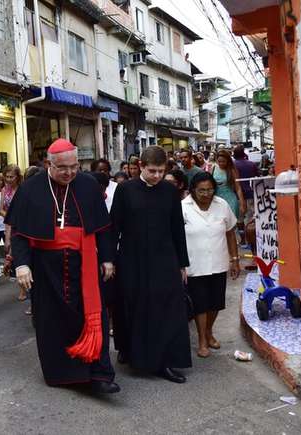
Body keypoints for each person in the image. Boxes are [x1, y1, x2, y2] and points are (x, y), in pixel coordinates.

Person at [6, 138, 119, 394]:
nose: (69, 172)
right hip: (46, 269)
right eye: (62, 168)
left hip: (84, 265)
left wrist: (108, 258)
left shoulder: (88, 185)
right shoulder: (31, 188)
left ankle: (99, 374)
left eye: (74, 167)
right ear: (49, 164)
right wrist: (22, 265)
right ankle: (62, 375)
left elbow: (102, 227)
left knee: (94, 316)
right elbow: (20, 233)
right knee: (51, 321)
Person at [110, 145, 192, 384]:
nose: (157, 176)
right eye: (152, 171)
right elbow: (114, 226)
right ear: (141, 167)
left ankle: (163, 362)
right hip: (131, 258)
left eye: (161, 171)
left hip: (164, 258)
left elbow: (177, 228)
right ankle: (128, 350)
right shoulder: (125, 190)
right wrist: (109, 260)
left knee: (166, 310)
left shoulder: (169, 190)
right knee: (131, 306)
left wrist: (182, 264)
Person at [182, 171, 241, 358]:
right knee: (200, 304)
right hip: (194, 264)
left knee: (215, 303)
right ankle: (201, 340)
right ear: (193, 190)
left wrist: (235, 259)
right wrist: (179, 265)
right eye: (201, 191)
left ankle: (209, 331)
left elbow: (230, 232)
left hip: (218, 261)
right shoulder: (183, 207)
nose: (206, 194)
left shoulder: (221, 205)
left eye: (209, 190)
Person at [1, 165, 24, 300]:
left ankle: (24, 289)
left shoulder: (22, 190)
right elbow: (2, 209)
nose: (9, 179)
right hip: (9, 225)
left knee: (20, 255)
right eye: (7, 176)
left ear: (18, 177)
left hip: (21, 225)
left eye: (11, 177)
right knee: (11, 253)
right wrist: (9, 216)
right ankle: (21, 286)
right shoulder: (5, 190)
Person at [233, 146, 260, 239]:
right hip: (250, 194)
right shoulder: (251, 164)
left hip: (237, 196)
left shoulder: (233, 165)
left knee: (239, 218)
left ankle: (243, 239)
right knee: (250, 217)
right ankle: (251, 238)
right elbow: (257, 176)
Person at [212, 149, 246, 221]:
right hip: (216, 200)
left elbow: (238, 188)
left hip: (231, 200)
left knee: (231, 222)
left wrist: (242, 203)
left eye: (223, 161)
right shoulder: (213, 168)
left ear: (228, 161)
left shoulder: (232, 170)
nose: (221, 163)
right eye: (219, 161)